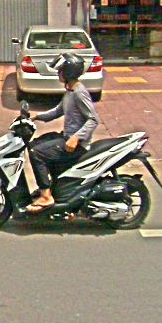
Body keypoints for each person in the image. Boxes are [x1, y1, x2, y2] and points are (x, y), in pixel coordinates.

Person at [26, 53, 100, 212]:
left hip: (76, 144)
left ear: (68, 72)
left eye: (60, 70)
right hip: (66, 137)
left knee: (36, 153)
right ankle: (51, 186)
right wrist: (36, 117)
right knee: (34, 144)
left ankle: (46, 196)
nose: (58, 73)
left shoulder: (79, 92)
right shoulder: (70, 91)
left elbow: (93, 119)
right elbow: (58, 110)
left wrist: (76, 138)